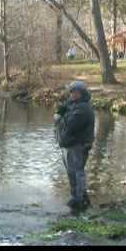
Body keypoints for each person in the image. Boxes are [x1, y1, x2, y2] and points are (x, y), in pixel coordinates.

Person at [54, 81, 95, 211]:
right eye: (71, 92)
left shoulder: (83, 108)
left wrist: (59, 118)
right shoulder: (73, 104)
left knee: (77, 172)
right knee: (72, 173)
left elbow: (71, 125)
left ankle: (80, 199)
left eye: (75, 92)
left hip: (77, 145)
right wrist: (60, 111)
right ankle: (77, 197)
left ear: (82, 93)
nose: (72, 94)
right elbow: (64, 108)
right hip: (69, 145)